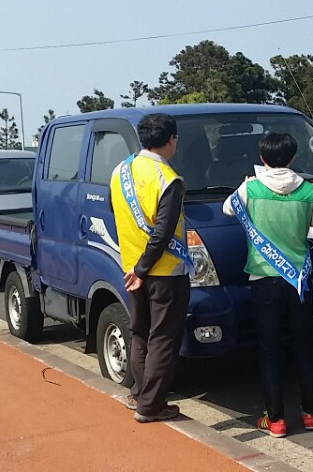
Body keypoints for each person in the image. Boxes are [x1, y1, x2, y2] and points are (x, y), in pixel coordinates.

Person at [223, 132, 313, 438]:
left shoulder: (250, 188)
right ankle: (311, 414)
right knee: (304, 347)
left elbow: (227, 209)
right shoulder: (309, 193)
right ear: (293, 158)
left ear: (262, 159)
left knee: (269, 351)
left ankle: (276, 421)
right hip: (298, 281)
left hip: (264, 280)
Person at [109, 113, 191, 423]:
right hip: (163, 272)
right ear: (170, 140)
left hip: (131, 269)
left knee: (140, 333)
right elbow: (163, 231)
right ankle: (151, 406)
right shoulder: (168, 179)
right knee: (163, 339)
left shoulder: (121, 170)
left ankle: (141, 395)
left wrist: (137, 268)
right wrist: (145, 268)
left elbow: (113, 210)